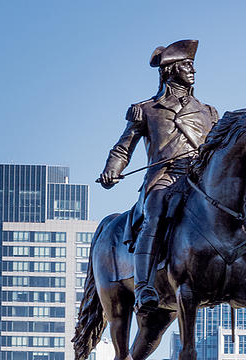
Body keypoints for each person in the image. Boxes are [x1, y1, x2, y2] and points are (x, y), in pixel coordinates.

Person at [98, 40, 218, 314]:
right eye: (187, 65)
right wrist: (112, 169)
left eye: (192, 65)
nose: (193, 70)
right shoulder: (147, 109)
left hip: (199, 180)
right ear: (170, 71)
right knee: (156, 213)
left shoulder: (208, 112)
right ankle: (143, 286)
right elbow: (122, 147)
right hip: (164, 178)